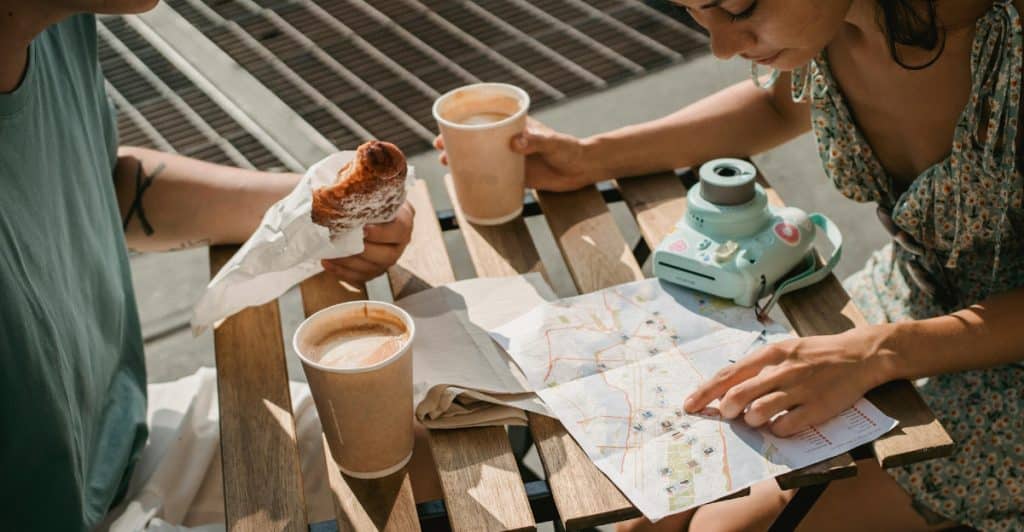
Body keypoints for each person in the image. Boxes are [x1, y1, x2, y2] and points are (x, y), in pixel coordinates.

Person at [436, 0, 1023, 529]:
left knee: (724, 526)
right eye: (694, 12)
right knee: (653, 511)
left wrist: (875, 352)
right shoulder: (837, 23)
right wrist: (589, 158)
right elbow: (777, 105)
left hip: (987, 365)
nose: (720, 48)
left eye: (739, 9)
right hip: (907, 305)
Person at [0, 1, 416, 530]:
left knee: (423, 441)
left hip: (126, 438)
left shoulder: (62, 20)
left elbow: (98, 178)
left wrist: (308, 212)